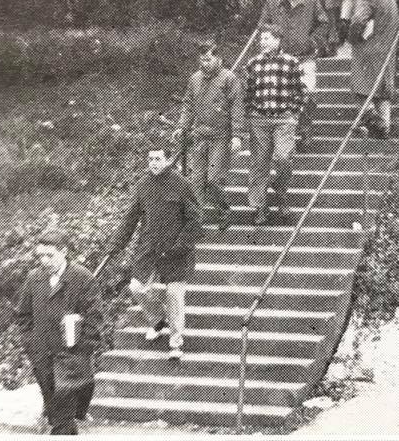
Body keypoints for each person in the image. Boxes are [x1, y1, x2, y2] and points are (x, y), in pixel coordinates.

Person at [107, 144, 203, 357]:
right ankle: (158, 320)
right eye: (150, 159)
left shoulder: (182, 184)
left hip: (177, 249)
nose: (154, 163)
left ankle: (176, 342)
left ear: (168, 160)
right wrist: (116, 244)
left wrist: (182, 245)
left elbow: (195, 220)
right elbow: (130, 218)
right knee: (136, 287)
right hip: (149, 247)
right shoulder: (142, 185)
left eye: (158, 159)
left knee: (174, 294)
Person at [15, 230, 102, 435]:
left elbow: (95, 318)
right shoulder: (34, 278)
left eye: (49, 255)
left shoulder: (82, 278)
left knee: (62, 412)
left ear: (64, 252)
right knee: (59, 414)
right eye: (40, 256)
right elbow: (23, 316)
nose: (44, 261)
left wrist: (81, 351)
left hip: (71, 358)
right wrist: (31, 345)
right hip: (43, 356)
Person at [173, 40, 246, 230]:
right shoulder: (194, 79)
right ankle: (196, 221)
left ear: (218, 59)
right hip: (200, 137)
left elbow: (237, 108)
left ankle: (223, 210)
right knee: (196, 180)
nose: (204, 63)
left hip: (220, 138)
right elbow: (188, 105)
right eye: (202, 60)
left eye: (208, 59)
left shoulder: (229, 79)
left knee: (214, 179)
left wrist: (237, 135)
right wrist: (182, 127)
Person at [244, 24, 307, 226]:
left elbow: (302, 91)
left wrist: (293, 112)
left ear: (278, 40)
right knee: (259, 163)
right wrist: (252, 111)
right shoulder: (253, 64)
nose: (263, 42)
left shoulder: (291, 62)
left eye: (267, 39)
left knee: (283, 158)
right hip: (260, 120)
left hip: (284, 119)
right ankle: (259, 207)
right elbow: (247, 92)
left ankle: (280, 192)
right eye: (261, 39)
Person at [258, 0, 328, 152]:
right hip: (281, 58)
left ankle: (305, 130)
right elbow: (262, 24)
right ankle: (283, 139)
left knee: (308, 93)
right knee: (282, 96)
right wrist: (275, 36)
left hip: (305, 57)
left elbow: (323, 22)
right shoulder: (272, 2)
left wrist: (313, 41)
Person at [348, 0, 399, 139]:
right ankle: (385, 126)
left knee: (360, 85)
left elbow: (357, 21)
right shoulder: (391, 0)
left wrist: (354, 38)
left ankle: (370, 116)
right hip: (388, 50)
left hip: (370, 50)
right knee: (383, 88)